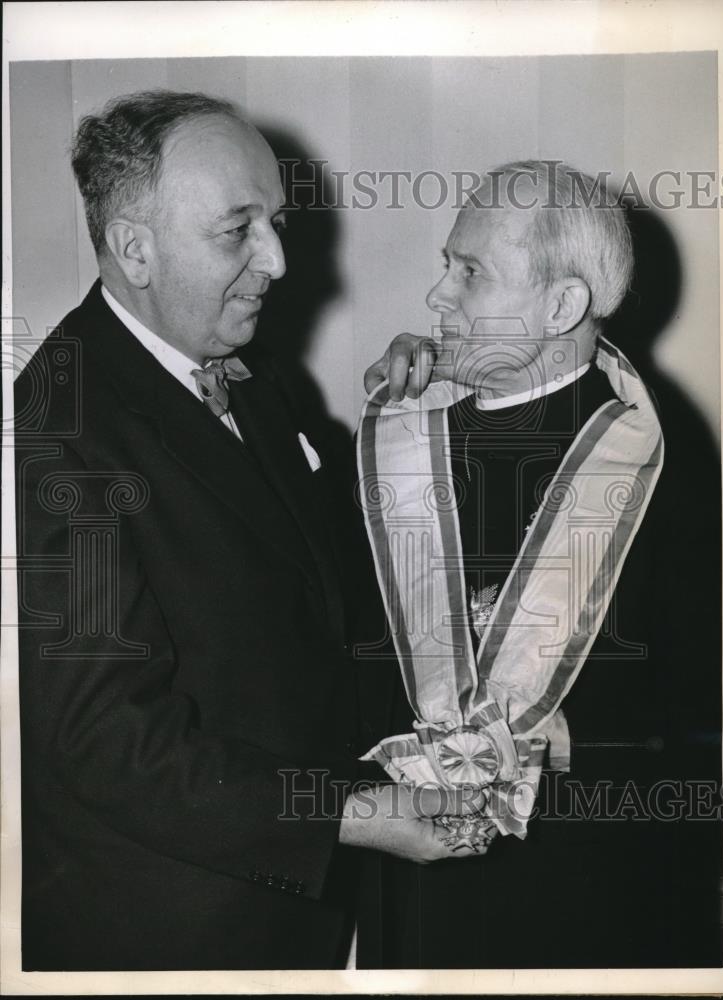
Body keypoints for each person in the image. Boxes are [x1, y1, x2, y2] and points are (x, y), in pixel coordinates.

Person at [13, 90, 482, 973]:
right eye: (237, 231)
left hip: (294, 917)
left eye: (274, 221)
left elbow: (320, 592)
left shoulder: (248, 378)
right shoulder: (51, 428)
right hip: (171, 938)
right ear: (134, 249)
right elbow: (106, 741)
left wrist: (410, 426)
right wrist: (346, 812)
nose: (276, 259)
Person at [355, 161, 723, 968]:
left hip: (587, 893)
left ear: (560, 305)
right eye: (446, 266)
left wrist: (575, 734)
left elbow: (710, 706)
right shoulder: (404, 445)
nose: (435, 297)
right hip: (414, 888)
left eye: (470, 272)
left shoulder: (665, 466)